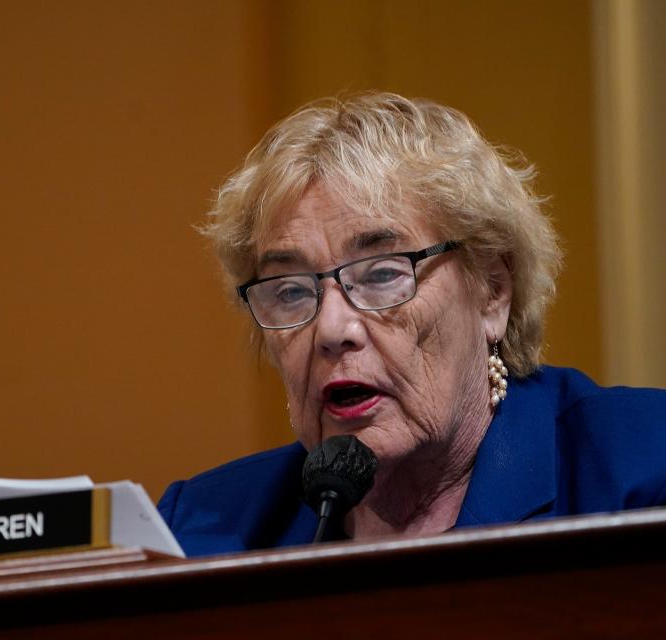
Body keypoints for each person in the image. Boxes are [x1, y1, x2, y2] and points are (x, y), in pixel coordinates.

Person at [158, 92, 666, 557]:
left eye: (382, 274)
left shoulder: (641, 469)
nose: (333, 329)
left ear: (492, 291)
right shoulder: (202, 532)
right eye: (290, 290)